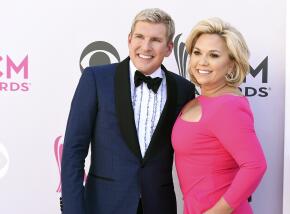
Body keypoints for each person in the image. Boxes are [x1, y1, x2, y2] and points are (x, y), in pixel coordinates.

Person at [61, 8, 195, 214]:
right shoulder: (96, 79)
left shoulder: (183, 89)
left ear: (169, 48)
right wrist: (73, 210)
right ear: (130, 39)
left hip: (159, 206)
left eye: (156, 40)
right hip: (103, 206)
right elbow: (73, 150)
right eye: (140, 37)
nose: (146, 46)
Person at [171, 18, 267, 214]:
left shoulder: (228, 105)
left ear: (231, 65)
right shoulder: (196, 100)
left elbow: (255, 165)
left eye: (214, 55)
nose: (202, 62)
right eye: (197, 53)